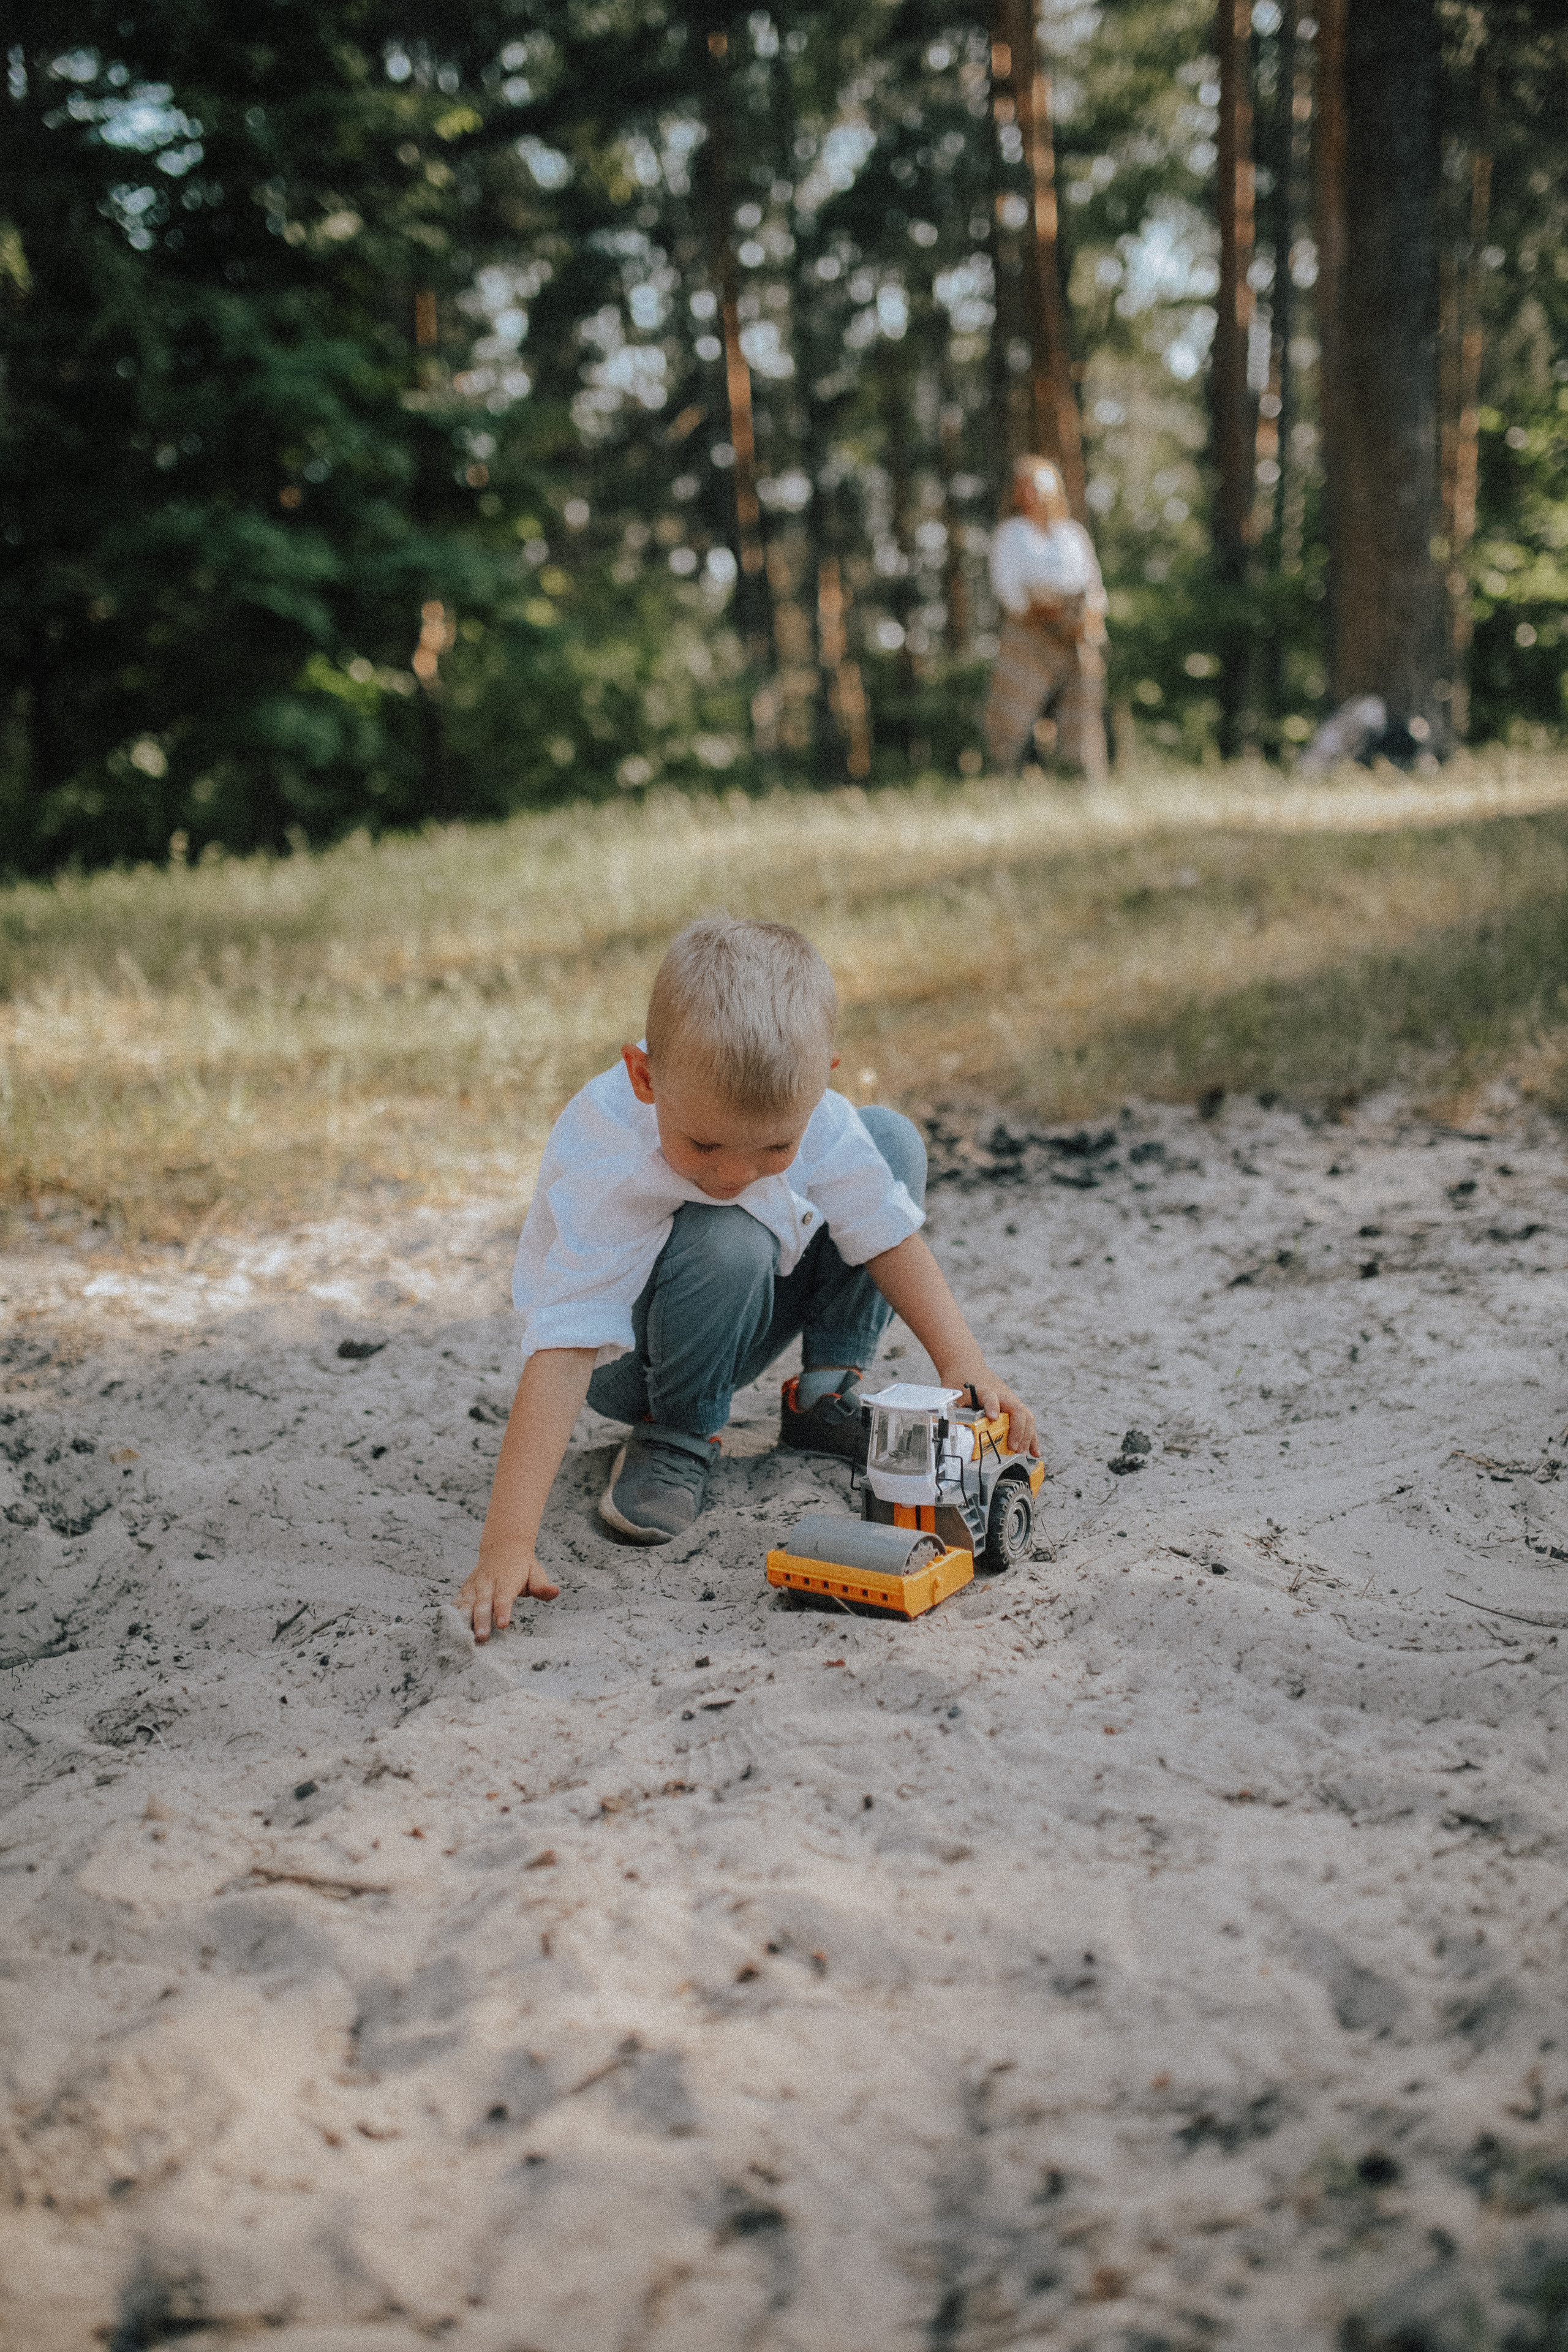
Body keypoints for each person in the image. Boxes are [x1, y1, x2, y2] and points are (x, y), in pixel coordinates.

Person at [458, 914, 1039, 1638]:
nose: (732, 1172)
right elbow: (565, 1349)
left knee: (886, 1142)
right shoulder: (608, 1157)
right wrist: (506, 1546)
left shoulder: (817, 1118)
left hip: (737, 1308)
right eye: (702, 1142)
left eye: (775, 1145)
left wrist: (966, 1365)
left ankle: (827, 1390)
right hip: (625, 1356)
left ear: (820, 1083)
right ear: (645, 1077)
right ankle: (676, 1435)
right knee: (726, 1231)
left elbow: (886, 1233)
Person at [982, 456, 1109, 783]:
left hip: (1075, 633)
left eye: (1036, 486)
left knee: (1080, 709)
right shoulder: (1011, 534)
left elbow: (1093, 583)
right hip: (1029, 631)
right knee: (1012, 709)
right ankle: (1004, 777)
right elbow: (1006, 587)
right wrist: (1039, 607)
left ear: (1054, 489)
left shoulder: (1072, 535)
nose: (1030, 494)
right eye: (1023, 487)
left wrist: (1088, 616)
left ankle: (1082, 781)